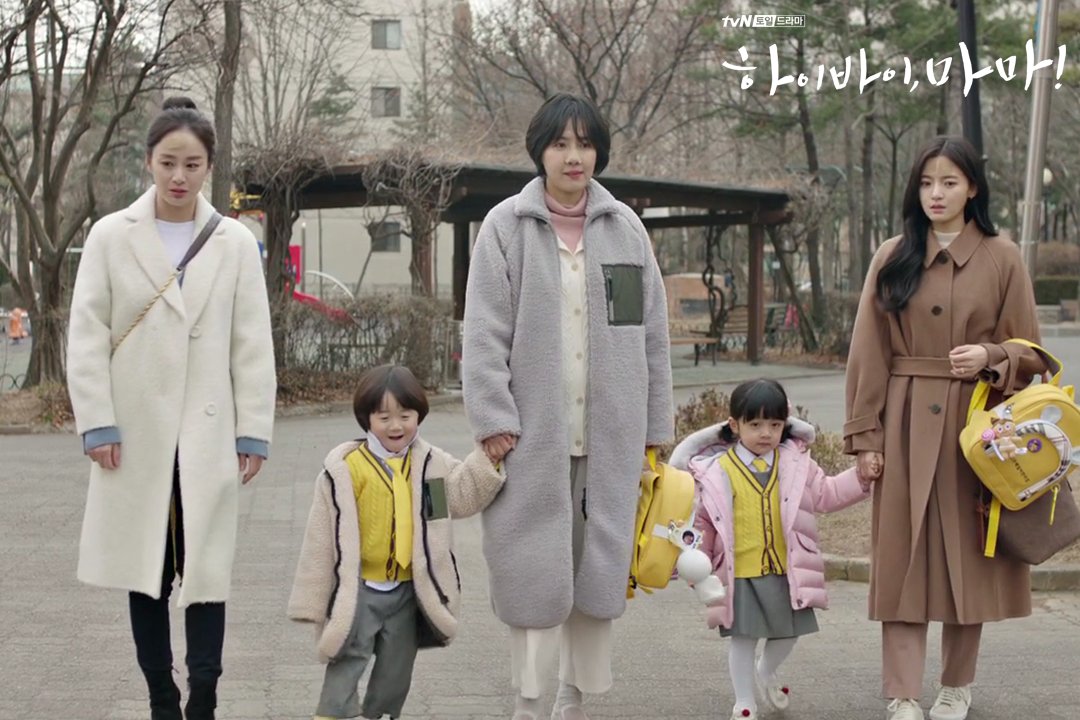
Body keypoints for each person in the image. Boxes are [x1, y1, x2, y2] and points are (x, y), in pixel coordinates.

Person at [461, 93, 674, 720]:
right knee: (531, 572)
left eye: (584, 144)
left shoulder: (624, 229)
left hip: (610, 438)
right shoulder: (506, 227)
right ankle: (529, 701)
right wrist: (493, 418)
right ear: (541, 151)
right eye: (560, 144)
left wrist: (653, 426)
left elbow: (650, 336)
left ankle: (572, 696)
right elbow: (483, 333)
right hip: (531, 438)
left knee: (596, 567)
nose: (573, 156)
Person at [66, 96, 276, 720]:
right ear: (149, 162)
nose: (179, 176)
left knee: (206, 573)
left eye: (192, 164)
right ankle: (162, 696)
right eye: (168, 163)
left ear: (209, 165)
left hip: (208, 433)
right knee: (146, 571)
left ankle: (204, 696)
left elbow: (251, 343)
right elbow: (86, 335)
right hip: (136, 432)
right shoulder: (111, 235)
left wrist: (253, 431)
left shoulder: (234, 242)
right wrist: (97, 422)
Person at [844, 135, 1051, 720]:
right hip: (904, 419)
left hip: (976, 428)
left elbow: (1033, 353)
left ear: (972, 188)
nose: (936, 193)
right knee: (901, 558)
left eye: (949, 182)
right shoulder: (892, 256)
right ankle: (903, 693)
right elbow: (868, 352)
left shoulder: (1003, 257)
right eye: (926, 182)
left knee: (969, 559)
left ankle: (957, 686)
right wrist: (866, 437)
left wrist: (992, 355)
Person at [288, 364, 506, 720]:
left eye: (405, 416)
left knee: (396, 670)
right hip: (360, 590)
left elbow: (460, 496)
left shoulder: (430, 466)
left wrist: (489, 460)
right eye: (384, 417)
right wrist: (310, 601)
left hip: (407, 590)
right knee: (348, 658)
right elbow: (320, 538)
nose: (396, 426)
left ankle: (379, 714)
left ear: (419, 416)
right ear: (366, 418)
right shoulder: (347, 469)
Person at [670, 378, 872, 720]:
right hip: (739, 572)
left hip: (785, 568)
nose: (766, 433)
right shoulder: (716, 472)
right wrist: (696, 564)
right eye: (755, 425)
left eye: (775, 425)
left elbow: (827, 494)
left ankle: (765, 670)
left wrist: (862, 477)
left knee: (788, 634)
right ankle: (744, 702)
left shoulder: (796, 464)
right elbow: (702, 524)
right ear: (735, 425)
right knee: (742, 638)